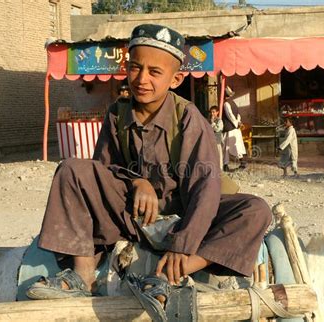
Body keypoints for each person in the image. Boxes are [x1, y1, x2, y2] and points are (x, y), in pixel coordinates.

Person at [26, 24, 272, 300]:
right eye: (135, 68)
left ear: (176, 79)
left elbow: (205, 188)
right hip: (134, 216)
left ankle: (171, 272)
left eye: (155, 72)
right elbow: (103, 171)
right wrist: (136, 182)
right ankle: (82, 275)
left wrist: (184, 244)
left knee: (255, 209)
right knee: (72, 170)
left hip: (184, 216)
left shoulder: (188, 119)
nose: (142, 79)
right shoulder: (117, 115)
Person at [222, 86, 247, 172]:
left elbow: (230, 115)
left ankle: (226, 165)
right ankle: (240, 163)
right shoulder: (233, 103)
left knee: (227, 147)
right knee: (236, 146)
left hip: (230, 128)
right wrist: (238, 122)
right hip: (235, 127)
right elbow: (238, 115)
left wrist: (237, 123)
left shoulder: (226, 103)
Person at [209, 105, 224, 170]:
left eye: (213, 112)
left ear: (217, 112)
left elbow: (217, 129)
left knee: (219, 155)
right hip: (210, 140)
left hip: (217, 140)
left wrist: (212, 123)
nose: (212, 114)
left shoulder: (220, 121)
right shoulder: (209, 120)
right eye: (211, 112)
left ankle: (220, 168)